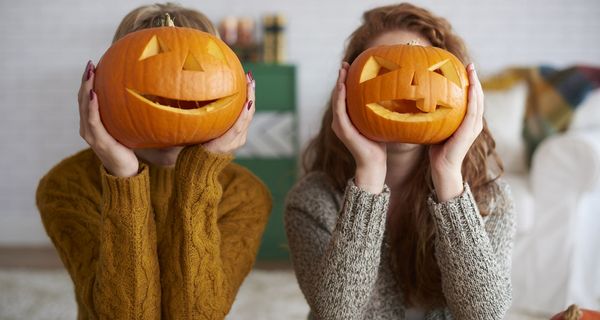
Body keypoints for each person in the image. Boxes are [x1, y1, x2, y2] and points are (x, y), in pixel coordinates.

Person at [36, 3, 271, 319]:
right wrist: (123, 179)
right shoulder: (66, 185)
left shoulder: (245, 195)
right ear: (101, 88)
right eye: (150, 60)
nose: (181, 81)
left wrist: (199, 175)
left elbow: (196, 315)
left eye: (206, 63)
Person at [284, 3, 515, 320]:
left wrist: (447, 174)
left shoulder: (490, 198)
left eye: (430, 73)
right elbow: (337, 313)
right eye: (385, 72)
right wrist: (369, 173)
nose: (410, 89)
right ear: (346, 92)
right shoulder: (313, 200)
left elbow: (484, 314)